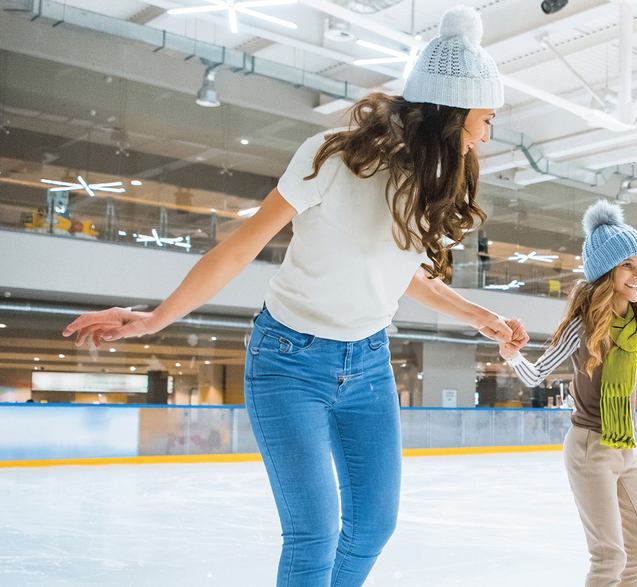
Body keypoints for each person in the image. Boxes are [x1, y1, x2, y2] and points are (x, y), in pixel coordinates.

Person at [61, 8, 523, 586]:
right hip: (289, 362)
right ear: (451, 114)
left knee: (374, 527)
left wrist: (481, 315)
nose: (488, 135)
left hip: (370, 366)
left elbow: (399, 271)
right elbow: (238, 248)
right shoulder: (332, 156)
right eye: (485, 119)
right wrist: (157, 318)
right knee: (314, 535)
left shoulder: (430, 185)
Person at [497, 200, 637, 587]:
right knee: (609, 557)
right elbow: (536, 375)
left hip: (625, 448)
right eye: (628, 266)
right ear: (607, 271)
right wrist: (512, 355)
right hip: (590, 448)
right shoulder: (583, 327)